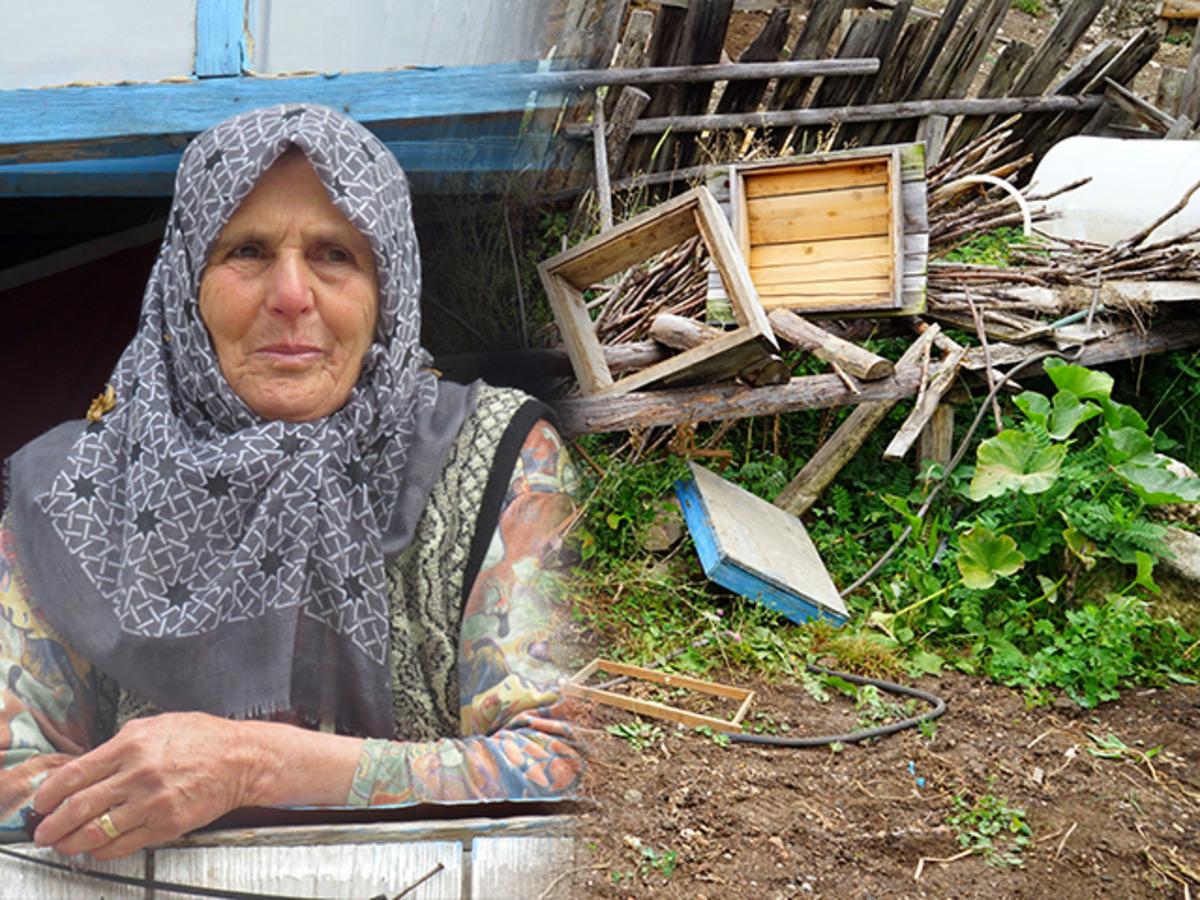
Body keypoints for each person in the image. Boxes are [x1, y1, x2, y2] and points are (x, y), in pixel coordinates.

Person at [0, 104, 583, 860]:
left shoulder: (496, 457)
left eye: (335, 254)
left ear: (388, 289)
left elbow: (564, 760)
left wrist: (250, 767)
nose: (290, 295)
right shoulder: (70, 488)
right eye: (246, 250)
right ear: (186, 287)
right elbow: (10, 777)